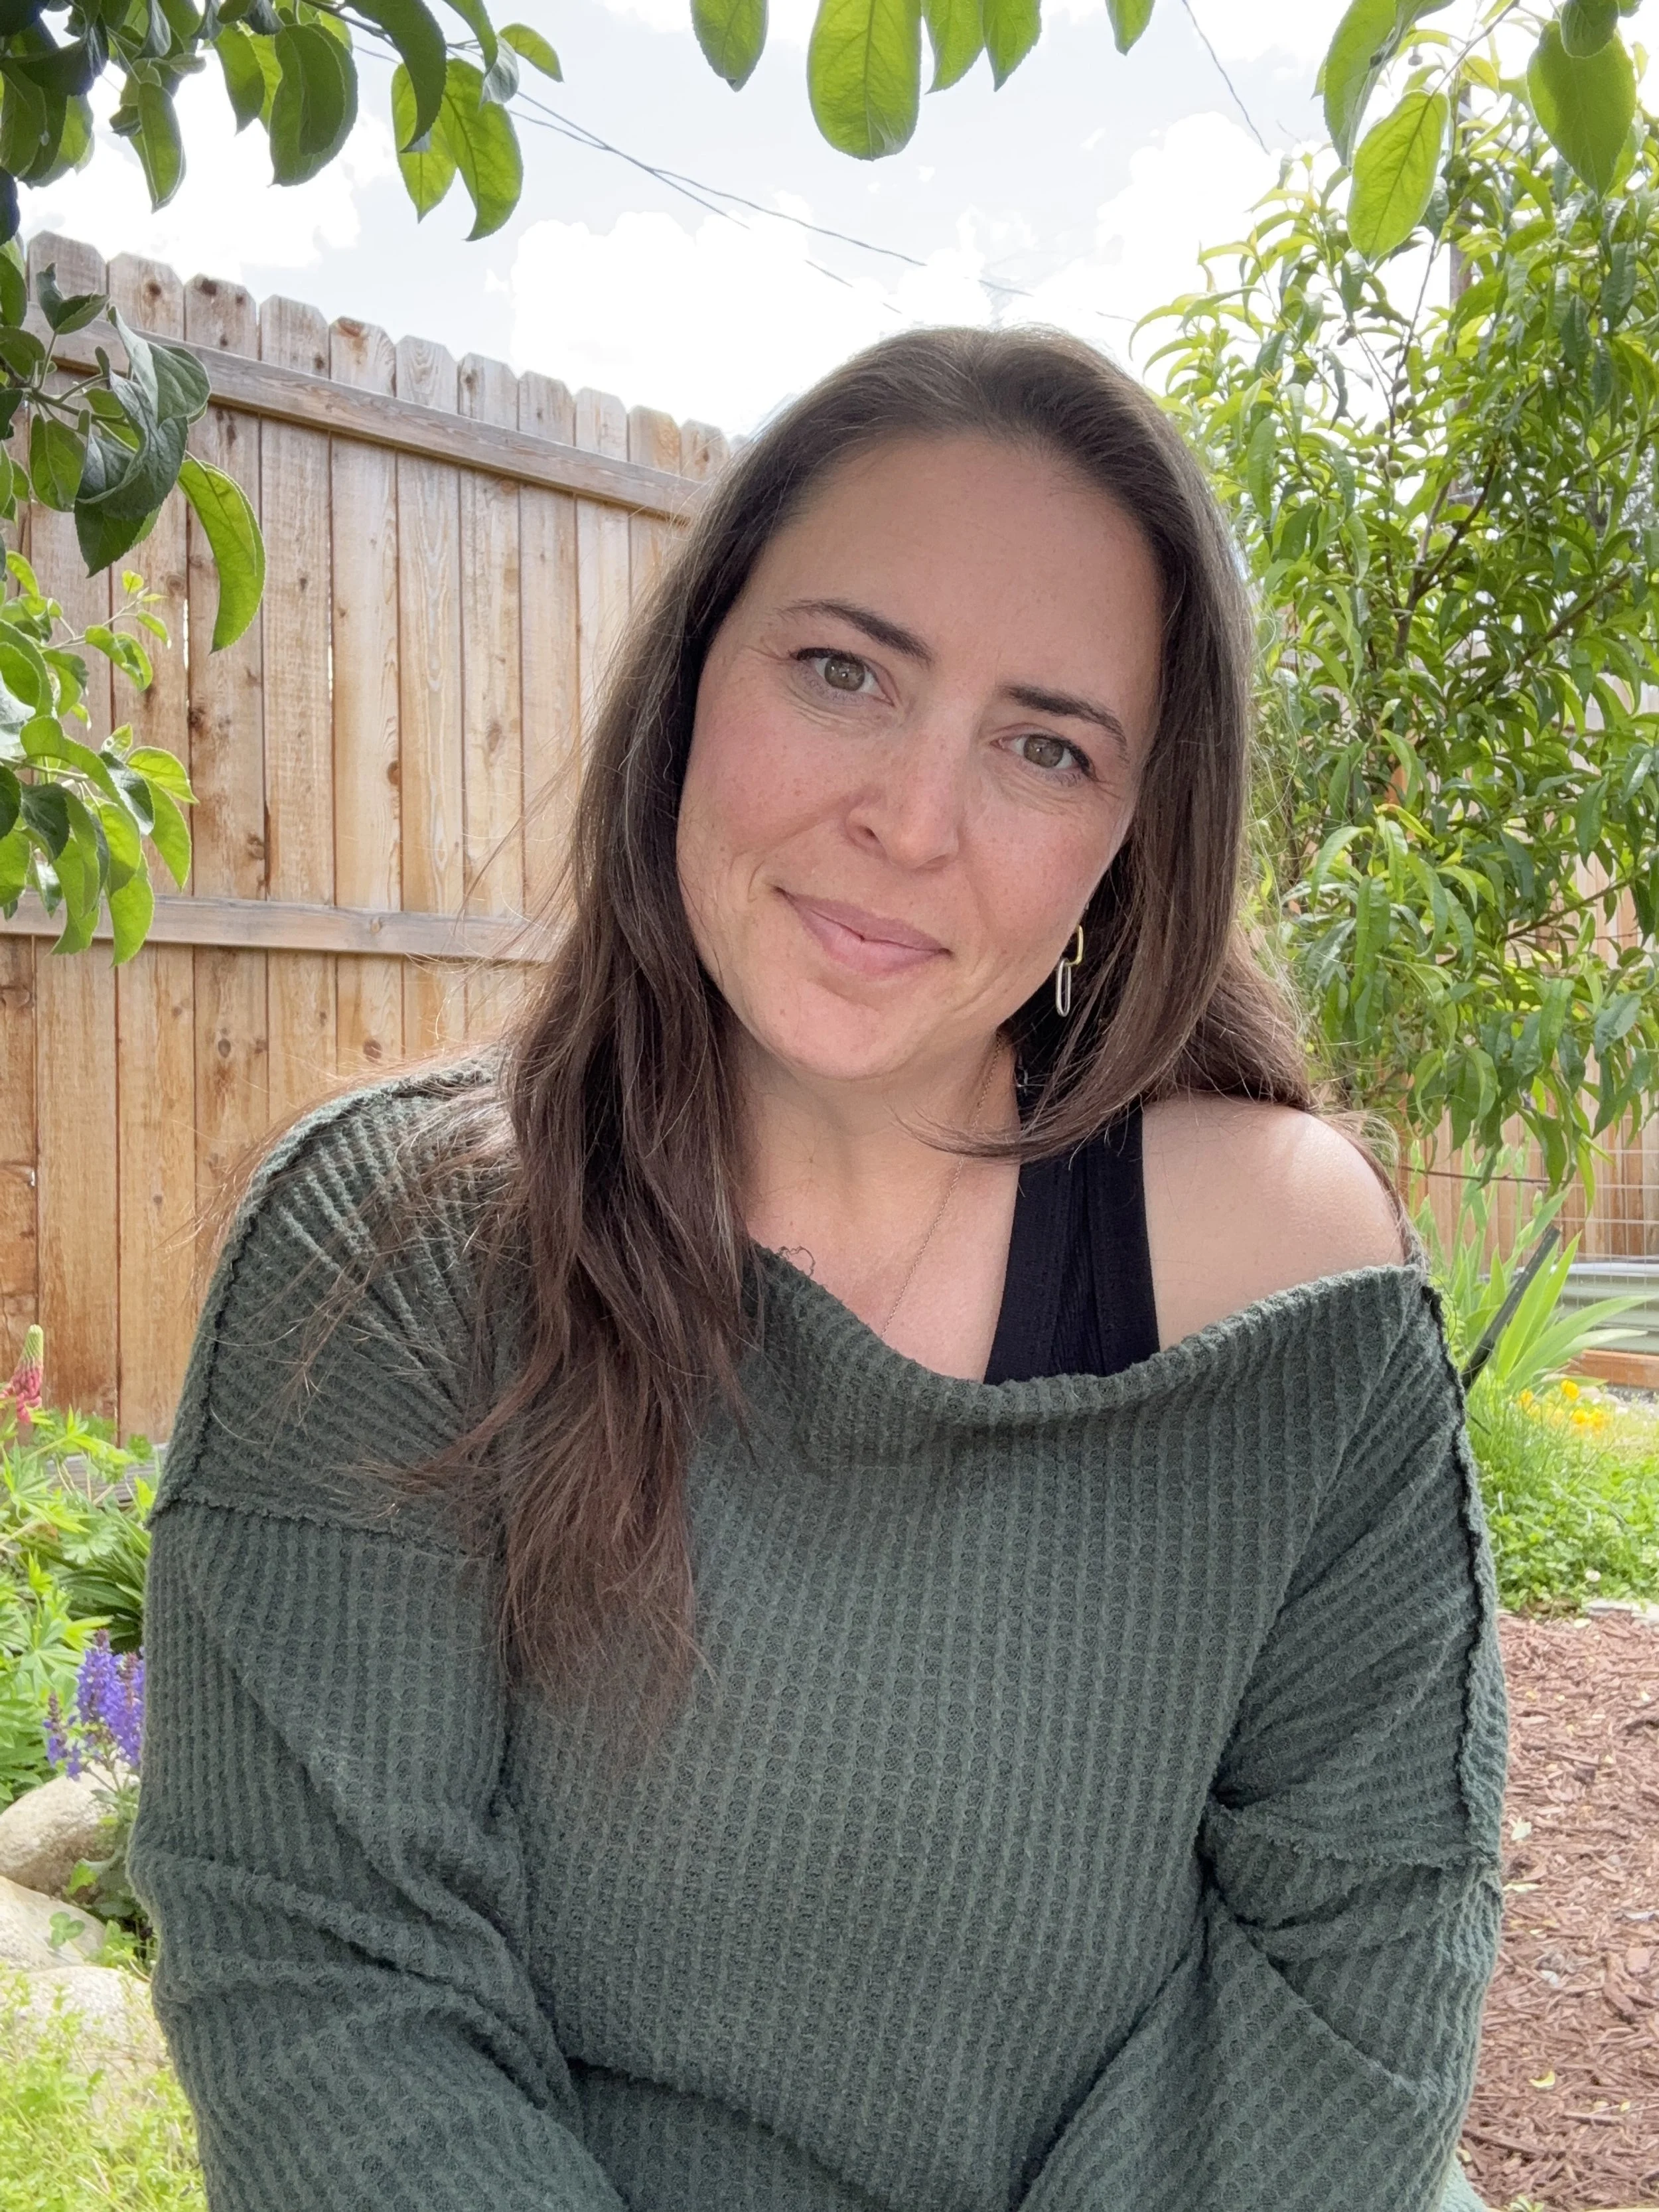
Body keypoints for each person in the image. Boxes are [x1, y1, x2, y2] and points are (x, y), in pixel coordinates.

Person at [127, 327, 1506, 2212]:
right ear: (696, 671)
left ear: (1126, 832)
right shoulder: (396, 1257)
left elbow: (1347, 1994)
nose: (912, 819)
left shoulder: (1274, 1268)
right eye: (844, 670)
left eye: (1043, 743)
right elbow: (323, 1981)